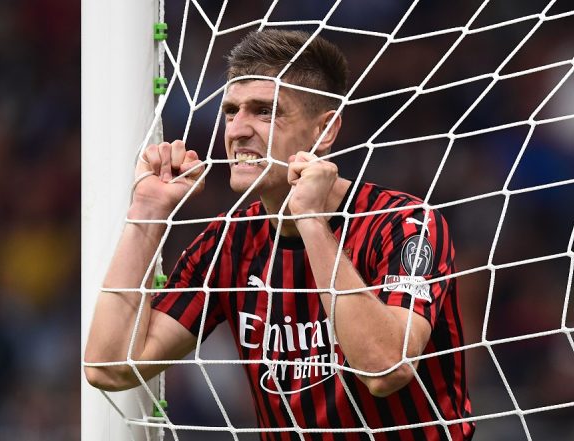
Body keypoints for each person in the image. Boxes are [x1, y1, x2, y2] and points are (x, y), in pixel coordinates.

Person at [85, 29, 474, 441]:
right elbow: (109, 367)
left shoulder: (404, 224)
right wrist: (148, 212)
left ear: (325, 130)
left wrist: (310, 220)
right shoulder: (227, 244)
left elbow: (385, 369)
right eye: (230, 111)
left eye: (265, 111)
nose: (237, 130)